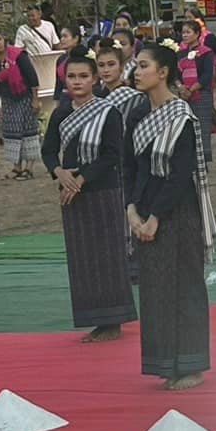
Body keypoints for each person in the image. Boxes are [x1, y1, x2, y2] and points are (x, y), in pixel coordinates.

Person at [125, 41, 216, 389]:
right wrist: (133, 210)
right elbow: (130, 167)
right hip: (145, 210)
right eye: (136, 65)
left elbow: (180, 174)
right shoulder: (136, 114)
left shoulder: (182, 116)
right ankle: (166, 362)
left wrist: (155, 217)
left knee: (185, 286)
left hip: (178, 213)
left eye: (144, 65)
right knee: (156, 288)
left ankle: (191, 363)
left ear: (163, 72)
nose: (137, 71)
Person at [43, 53, 137, 343]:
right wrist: (59, 173)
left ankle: (113, 321)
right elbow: (48, 150)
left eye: (84, 76)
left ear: (95, 79)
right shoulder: (60, 112)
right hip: (71, 193)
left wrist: (80, 180)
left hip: (102, 190)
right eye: (72, 77)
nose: (77, 82)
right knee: (82, 257)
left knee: (106, 256)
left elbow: (112, 155)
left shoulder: (108, 111)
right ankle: (94, 319)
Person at [0, 30, 41, 180]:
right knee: (11, 132)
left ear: (4, 39)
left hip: (25, 96)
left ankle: (29, 168)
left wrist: (35, 99)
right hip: (8, 99)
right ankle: (16, 167)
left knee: (29, 129)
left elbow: (32, 77)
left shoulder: (18, 55)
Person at [176, 19, 216, 166]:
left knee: (203, 129)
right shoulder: (180, 54)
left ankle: (203, 162)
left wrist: (192, 89)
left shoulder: (206, 53)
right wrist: (181, 87)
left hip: (202, 96)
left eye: (188, 32)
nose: (185, 35)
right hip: (184, 97)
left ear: (197, 34)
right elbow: (176, 75)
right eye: (183, 32)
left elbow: (207, 75)